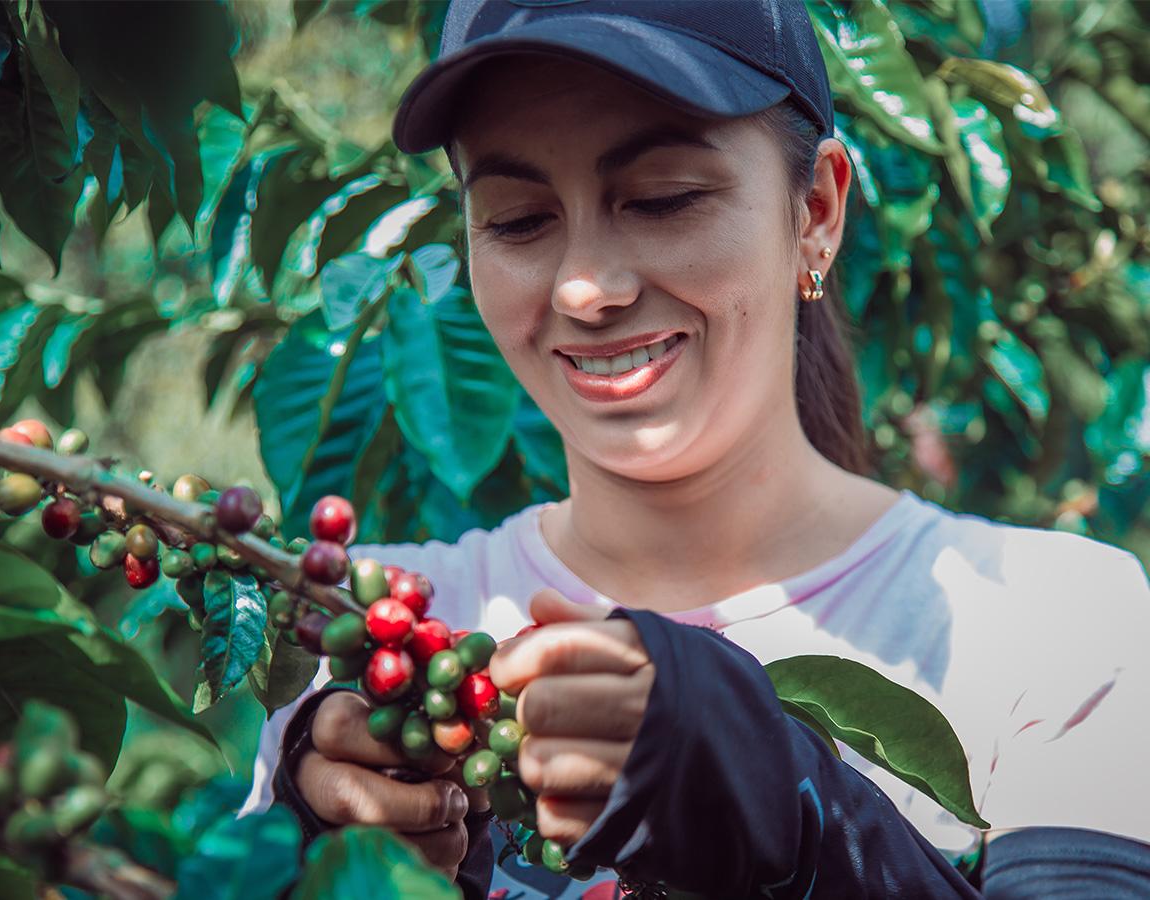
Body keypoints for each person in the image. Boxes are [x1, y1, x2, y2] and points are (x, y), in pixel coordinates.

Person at [242, 1, 1150, 896]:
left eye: (664, 199)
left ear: (817, 213)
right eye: (518, 220)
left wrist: (785, 804)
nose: (586, 287)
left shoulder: (1057, 626)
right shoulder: (369, 644)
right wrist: (321, 866)